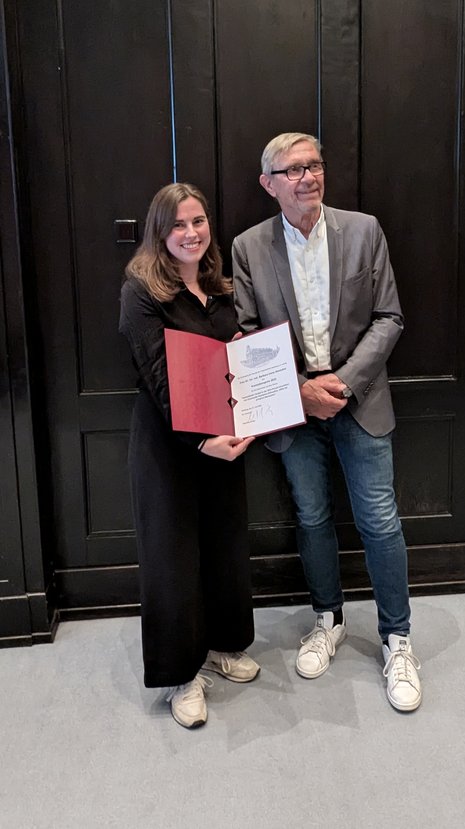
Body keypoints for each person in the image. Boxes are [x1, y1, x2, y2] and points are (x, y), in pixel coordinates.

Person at [232, 133, 421, 712]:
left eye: (313, 165)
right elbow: (244, 334)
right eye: (292, 170)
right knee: (312, 516)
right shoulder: (248, 247)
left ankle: (397, 637)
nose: (307, 176)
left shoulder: (364, 230)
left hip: (357, 398)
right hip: (292, 407)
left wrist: (342, 383)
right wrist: (300, 390)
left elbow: (389, 317)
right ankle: (328, 618)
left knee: (380, 520)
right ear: (268, 184)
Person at [119, 182, 260, 729]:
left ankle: (225, 645)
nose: (190, 232)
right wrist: (200, 441)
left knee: (224, 545)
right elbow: (158, 378)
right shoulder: (141, 292)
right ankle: (182, 674)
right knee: (172, 559)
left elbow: (240, 361)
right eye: (178, 224)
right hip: (170, 447)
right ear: (160, 231)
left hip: (227, 442)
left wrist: (248, 420)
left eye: (198, 221)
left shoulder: (218, 288)